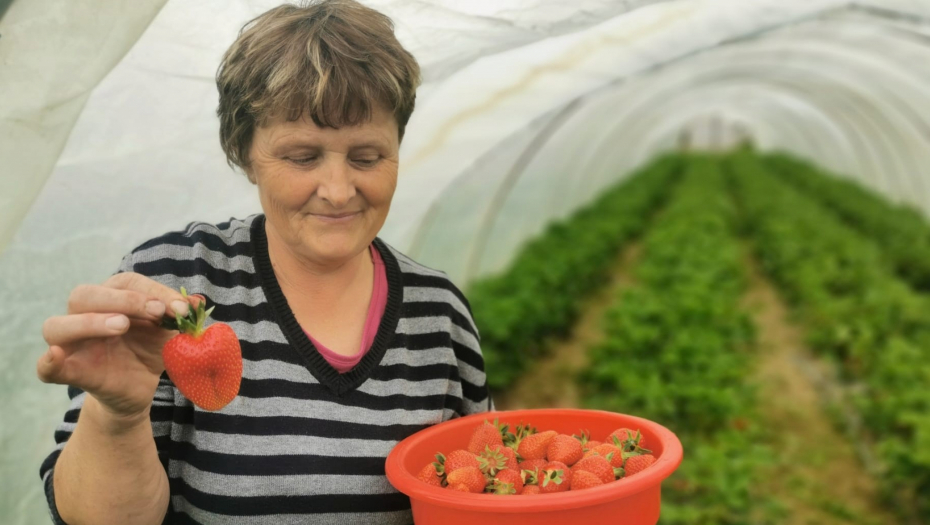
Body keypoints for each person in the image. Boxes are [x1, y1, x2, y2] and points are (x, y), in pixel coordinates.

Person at [36, 1, 491, 523]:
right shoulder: (175, 285)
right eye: (302, 157)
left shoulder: (438, 312)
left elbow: (481, 491)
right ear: (244, 153)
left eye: (367, 157)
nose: (339, 191)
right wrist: (117, 417)